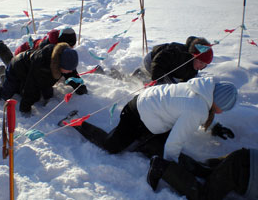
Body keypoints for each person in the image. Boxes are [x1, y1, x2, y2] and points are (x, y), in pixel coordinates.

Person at [64, 77, 237, 161]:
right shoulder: (197, 108)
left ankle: (144, 139)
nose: (223, 111)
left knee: (156, 144)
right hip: (136, 114)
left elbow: (188, 111)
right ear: (217, 101)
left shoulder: (201, 89)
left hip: (150, 107)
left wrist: (214, 127)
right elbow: (174, 143)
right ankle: (75, 121)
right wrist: (169, 166)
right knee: (112, 146)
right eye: (225, 107)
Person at [0, 42, 87, 113]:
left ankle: (5, 79)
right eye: (68, 69)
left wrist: (81, 88)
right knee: (5, 95)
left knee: (44, 91)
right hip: (16, 69)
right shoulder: (43, 68)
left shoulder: (64, 59)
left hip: (29, 69)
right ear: (59, 65)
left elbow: (72, 75)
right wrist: (25, 109)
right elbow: (31, 88)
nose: (70, 71)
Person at [147, 148, 258, 200]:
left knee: (208, 171)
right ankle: (162, 167)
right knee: (206, 196)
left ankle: (166, 152)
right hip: (244, 172)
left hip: (246, 156)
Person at [132, 36, 214, 84]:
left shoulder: (193, 69)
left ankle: (142, 75)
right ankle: (138, 77)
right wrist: (157, 81)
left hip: (167, 69)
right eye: (200, 62)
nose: (202, 66)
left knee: (173, 85)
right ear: (193, 56)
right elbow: (158, 62)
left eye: (205, 64)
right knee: (165, 85)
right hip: (152, 60)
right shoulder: (178, 53)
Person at [0, 27, 77, 67]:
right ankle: (1, 48)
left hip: (30, 52)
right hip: (23, 54)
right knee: (15, 67)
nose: (71, 49)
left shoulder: (57, 43)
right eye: (70, 46)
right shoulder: (46, 49)